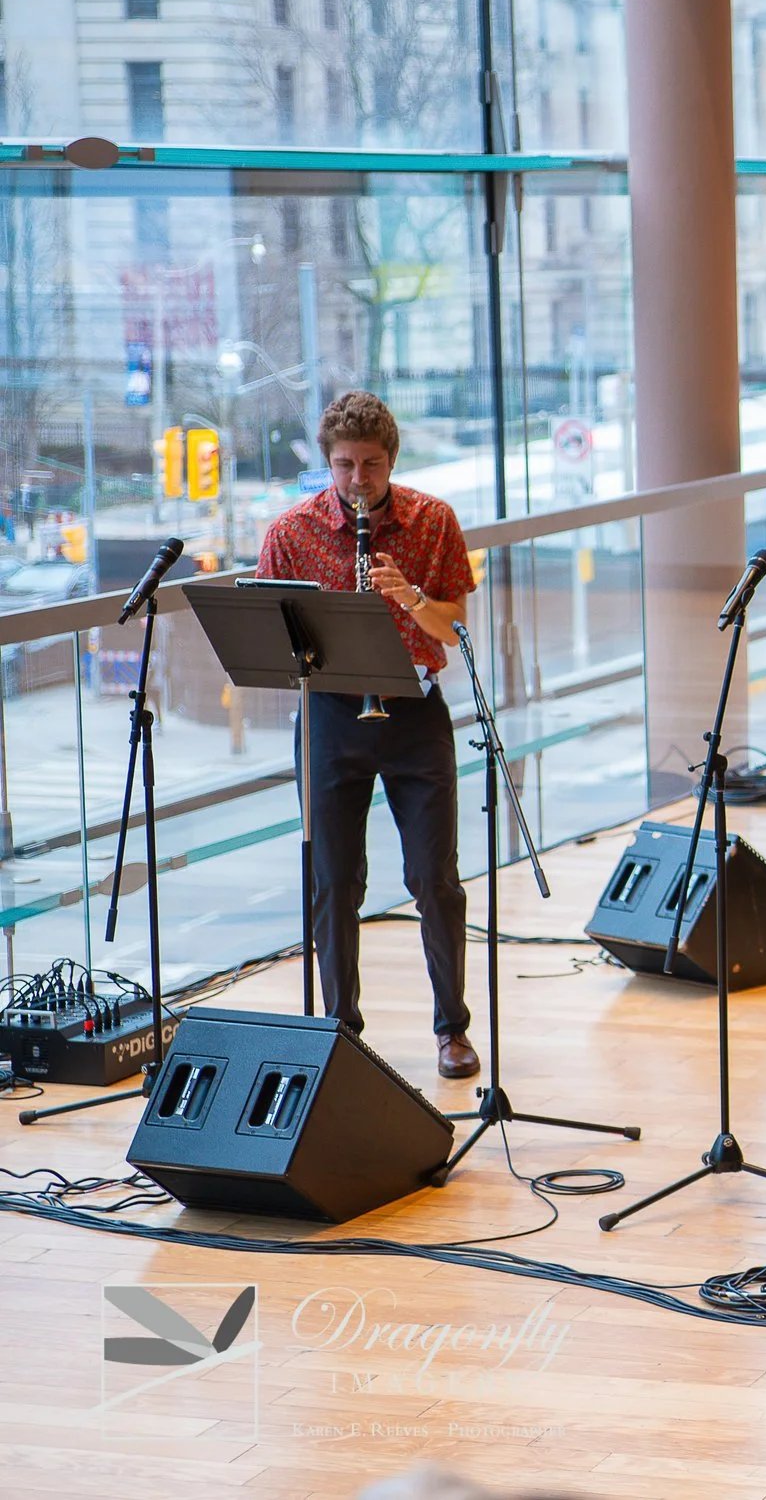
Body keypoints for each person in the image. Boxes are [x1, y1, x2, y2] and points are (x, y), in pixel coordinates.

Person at [255, 392, 481, 1079]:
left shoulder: (434, 521)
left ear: (392, 460)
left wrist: (409, 596)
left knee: (433, 878)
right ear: (328, 462)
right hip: (330, 716)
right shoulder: (291, 532)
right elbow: (269, 636)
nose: (359, 480)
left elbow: (453, 629)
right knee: (333, 881)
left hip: (414, 711)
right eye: (345, 465)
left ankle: (452, 1029)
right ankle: (340, 1030)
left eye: (372, 465)